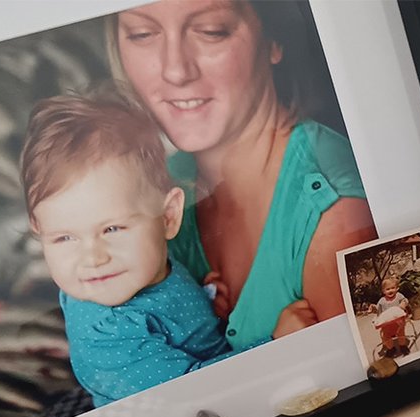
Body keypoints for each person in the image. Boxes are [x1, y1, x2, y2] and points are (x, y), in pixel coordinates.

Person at [112, 0, 378, 352]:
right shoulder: (153, 189)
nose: (175, 70)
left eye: (211, 31)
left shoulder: (335, 219)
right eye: (142, 34)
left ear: (274, 40)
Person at [20, 87, 242, 406]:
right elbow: (198, 394)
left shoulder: (148, 267)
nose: (93, 258)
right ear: (39, 231)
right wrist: (278, 342)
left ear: (167, 217)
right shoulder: (107, 336)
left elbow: (165, 310)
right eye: (64, 238)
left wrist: (204, 301)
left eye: (112, 229)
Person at [372, 274, 408, 358]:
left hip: (398, 321)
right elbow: (378, 311)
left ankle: (403, 346)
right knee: (386, 336)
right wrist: (374, 308)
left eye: (393, 288)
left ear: (397, 288)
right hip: (387, 324)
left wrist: (403, 303)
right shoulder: (382, 301)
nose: (390, 291)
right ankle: (390, 348)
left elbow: (405, 300)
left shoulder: (399, 296)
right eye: (387, 289)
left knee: (401, 334)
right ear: (383, 291)